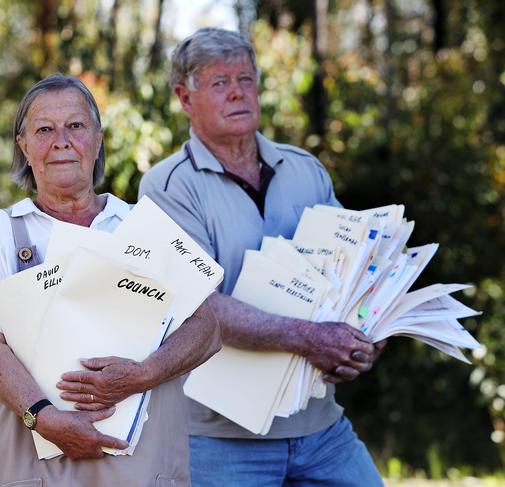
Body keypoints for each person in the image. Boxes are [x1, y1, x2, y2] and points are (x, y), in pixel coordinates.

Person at [0, 73, 221, 487]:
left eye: (75, 126)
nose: (61, 141)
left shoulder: (144, 226)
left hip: (139, 462)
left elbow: (208, 329)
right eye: (44, 129)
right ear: (23, 146)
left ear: (98, 138)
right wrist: (45, 417)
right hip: (31, 457)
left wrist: (143, 374)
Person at [139, 28, 386, 486]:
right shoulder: (166, 187)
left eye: (246, 79)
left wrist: (367, 335)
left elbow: (353, 272)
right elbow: (202, 306)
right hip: (218, 439)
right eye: (218, 83)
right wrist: (310, 337)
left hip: (320, 428)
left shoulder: (305, 169)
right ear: (184, 97)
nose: (237, 92)